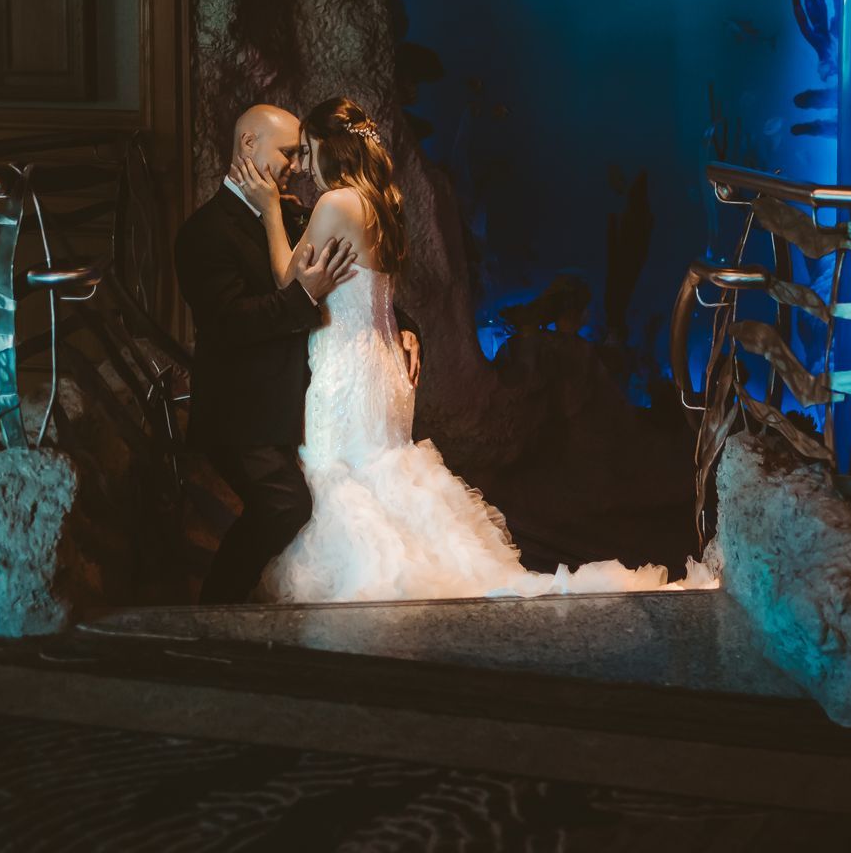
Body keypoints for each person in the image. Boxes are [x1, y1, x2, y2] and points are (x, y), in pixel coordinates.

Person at [228, 96, 695, 602]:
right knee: (380, 473)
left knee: (341, 476)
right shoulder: (383, 203)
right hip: (384, 365)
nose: (304, 169)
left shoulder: (337, 203)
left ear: (331, 150)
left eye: (310, 152)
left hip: (347, 371)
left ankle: (369, 590)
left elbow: (286, 279)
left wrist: (271, 211)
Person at [174, 104, 360, 604]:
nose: (298, 166)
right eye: (287, 153)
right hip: (241, 411)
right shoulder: (202, 233)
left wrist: (404, 331)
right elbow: (229, 324)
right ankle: (215, 609)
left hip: (299, 405)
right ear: (248, 145)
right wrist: (303, 296)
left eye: (301, 154)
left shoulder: (293, 213)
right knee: (285, 506)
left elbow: (351, 283)